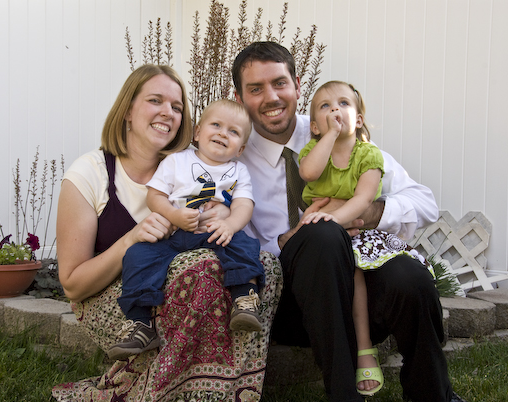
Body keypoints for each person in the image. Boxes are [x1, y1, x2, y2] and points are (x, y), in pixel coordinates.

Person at [232, 41, 468, 402]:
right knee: (322, 236)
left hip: (358, 293)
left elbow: (424, 203)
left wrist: (365, 212)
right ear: (238, 97)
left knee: (409, 277)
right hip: (289, 304)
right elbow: (229, 240)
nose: (272, 97)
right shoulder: (230, 155)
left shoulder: (338, 127)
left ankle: (435, 395)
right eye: (255, 88)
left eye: (279, 83)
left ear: (297, 85)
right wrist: (287, 239)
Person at [52, 64, 282, 402]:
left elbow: (237, 203)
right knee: (200, 271)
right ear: (128, 110)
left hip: (187, 279)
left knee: (266, 264)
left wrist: (225, 214)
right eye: (155, 100)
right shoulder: (91, 173)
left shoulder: (196, 165)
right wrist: (131, 238)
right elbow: (72, 285)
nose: (168, 112)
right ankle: (172, 378)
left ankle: (224, 387)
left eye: (176, 106)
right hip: (121, 298)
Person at [108, 99, 265, 360]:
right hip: (174, 233)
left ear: (240, 149)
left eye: (233, 131)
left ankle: (244, 299)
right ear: (197, 132)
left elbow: (244, 205)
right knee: (138, 255)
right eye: (216, 125)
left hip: (214, 231)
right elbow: (155, 195)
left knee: (245, 244)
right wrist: (173, 215)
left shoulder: (239, 171)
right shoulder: (176, 161)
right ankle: (139, 323)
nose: (223, 133)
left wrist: (230, 225)